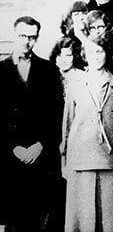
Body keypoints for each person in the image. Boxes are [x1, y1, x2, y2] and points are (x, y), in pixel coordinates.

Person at [2, 16, 63, 232]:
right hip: (11, 160)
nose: (27, 42)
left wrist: (40, 145)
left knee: (42, 220)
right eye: (22, 36)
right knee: (14, 221)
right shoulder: (0, 71)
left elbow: (57, 114)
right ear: (13, 35)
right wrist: (13, 148)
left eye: (32, 37)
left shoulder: (49, 71)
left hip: (42, 158)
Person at [61, 35, 113, 232]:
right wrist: (64, 161)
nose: (96, 56)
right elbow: (67, 125)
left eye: (100, 51)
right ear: (84, 55)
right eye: (91, 52)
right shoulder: (76, 84)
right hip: (80, 159)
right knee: (81, 219)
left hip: (107, 158)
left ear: (106, 53)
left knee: (107, 218)